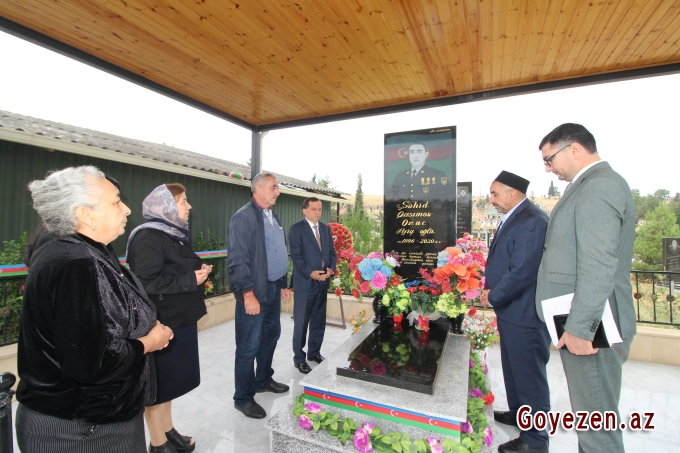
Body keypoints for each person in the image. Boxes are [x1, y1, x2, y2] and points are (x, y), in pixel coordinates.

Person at [15, 166, 173, 453]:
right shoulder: (76, 263)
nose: (126, 209)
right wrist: (151, 341)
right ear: (84, 215)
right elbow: (94, 361)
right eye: (115, 202)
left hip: (93, 420)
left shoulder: (85, 250)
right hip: (80, 429)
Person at [536, 123, 636, 453]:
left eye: (550, 159)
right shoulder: (594, 184)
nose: (548, 168)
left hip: (593, 327)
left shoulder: (598, 187)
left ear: (575, 150)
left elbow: (599, 263)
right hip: (589, 320)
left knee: (597, 429)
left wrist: (580, 328)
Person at [127, 184, 210, 453]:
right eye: (183, 201)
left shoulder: (172, 234)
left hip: (179, 321)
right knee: (158, 388)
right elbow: (145, 282)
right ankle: (158, 444)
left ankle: (168, 429)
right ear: (165, 206)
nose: (189, 206)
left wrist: (198, 272)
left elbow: (175, 270)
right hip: (161, 325)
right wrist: (189, 279)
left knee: (170, 383)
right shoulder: (148, 237)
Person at [480, 171, 550, 453]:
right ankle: (520, 414)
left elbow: (522, 272)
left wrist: (494, 295)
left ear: (512, 193)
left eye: (495, 193)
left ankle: (535, 440)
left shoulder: (532, 221)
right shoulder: (516, 217)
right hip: (512, 312)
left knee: (529, 377)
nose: (491, 199)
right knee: (514, 370)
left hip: (525, 314)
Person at [227, 172, 291, 419]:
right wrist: (247, 294)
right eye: (274, 187)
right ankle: (243, 397)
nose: (278, 191)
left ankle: (263, 379)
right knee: (248, 345)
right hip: (254, 291)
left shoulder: (272, 216)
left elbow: (277, 251)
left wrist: (283, 282)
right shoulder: (243, 218)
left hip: (274, 288)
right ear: (259, 188)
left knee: (270, 336)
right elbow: (237, 260)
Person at [288, 197, 337, 374]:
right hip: (305, 284)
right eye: (314, 209)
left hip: (323, 283)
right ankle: (299, 358)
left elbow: (332, 252)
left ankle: (314, 353)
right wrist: (311, 273)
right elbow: (296, 257)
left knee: (318, 320)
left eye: (319, 209)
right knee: (301, 322)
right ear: (305, 210)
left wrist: (331, 268)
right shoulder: (296, 229)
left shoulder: (325, 229)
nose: (317, 212)